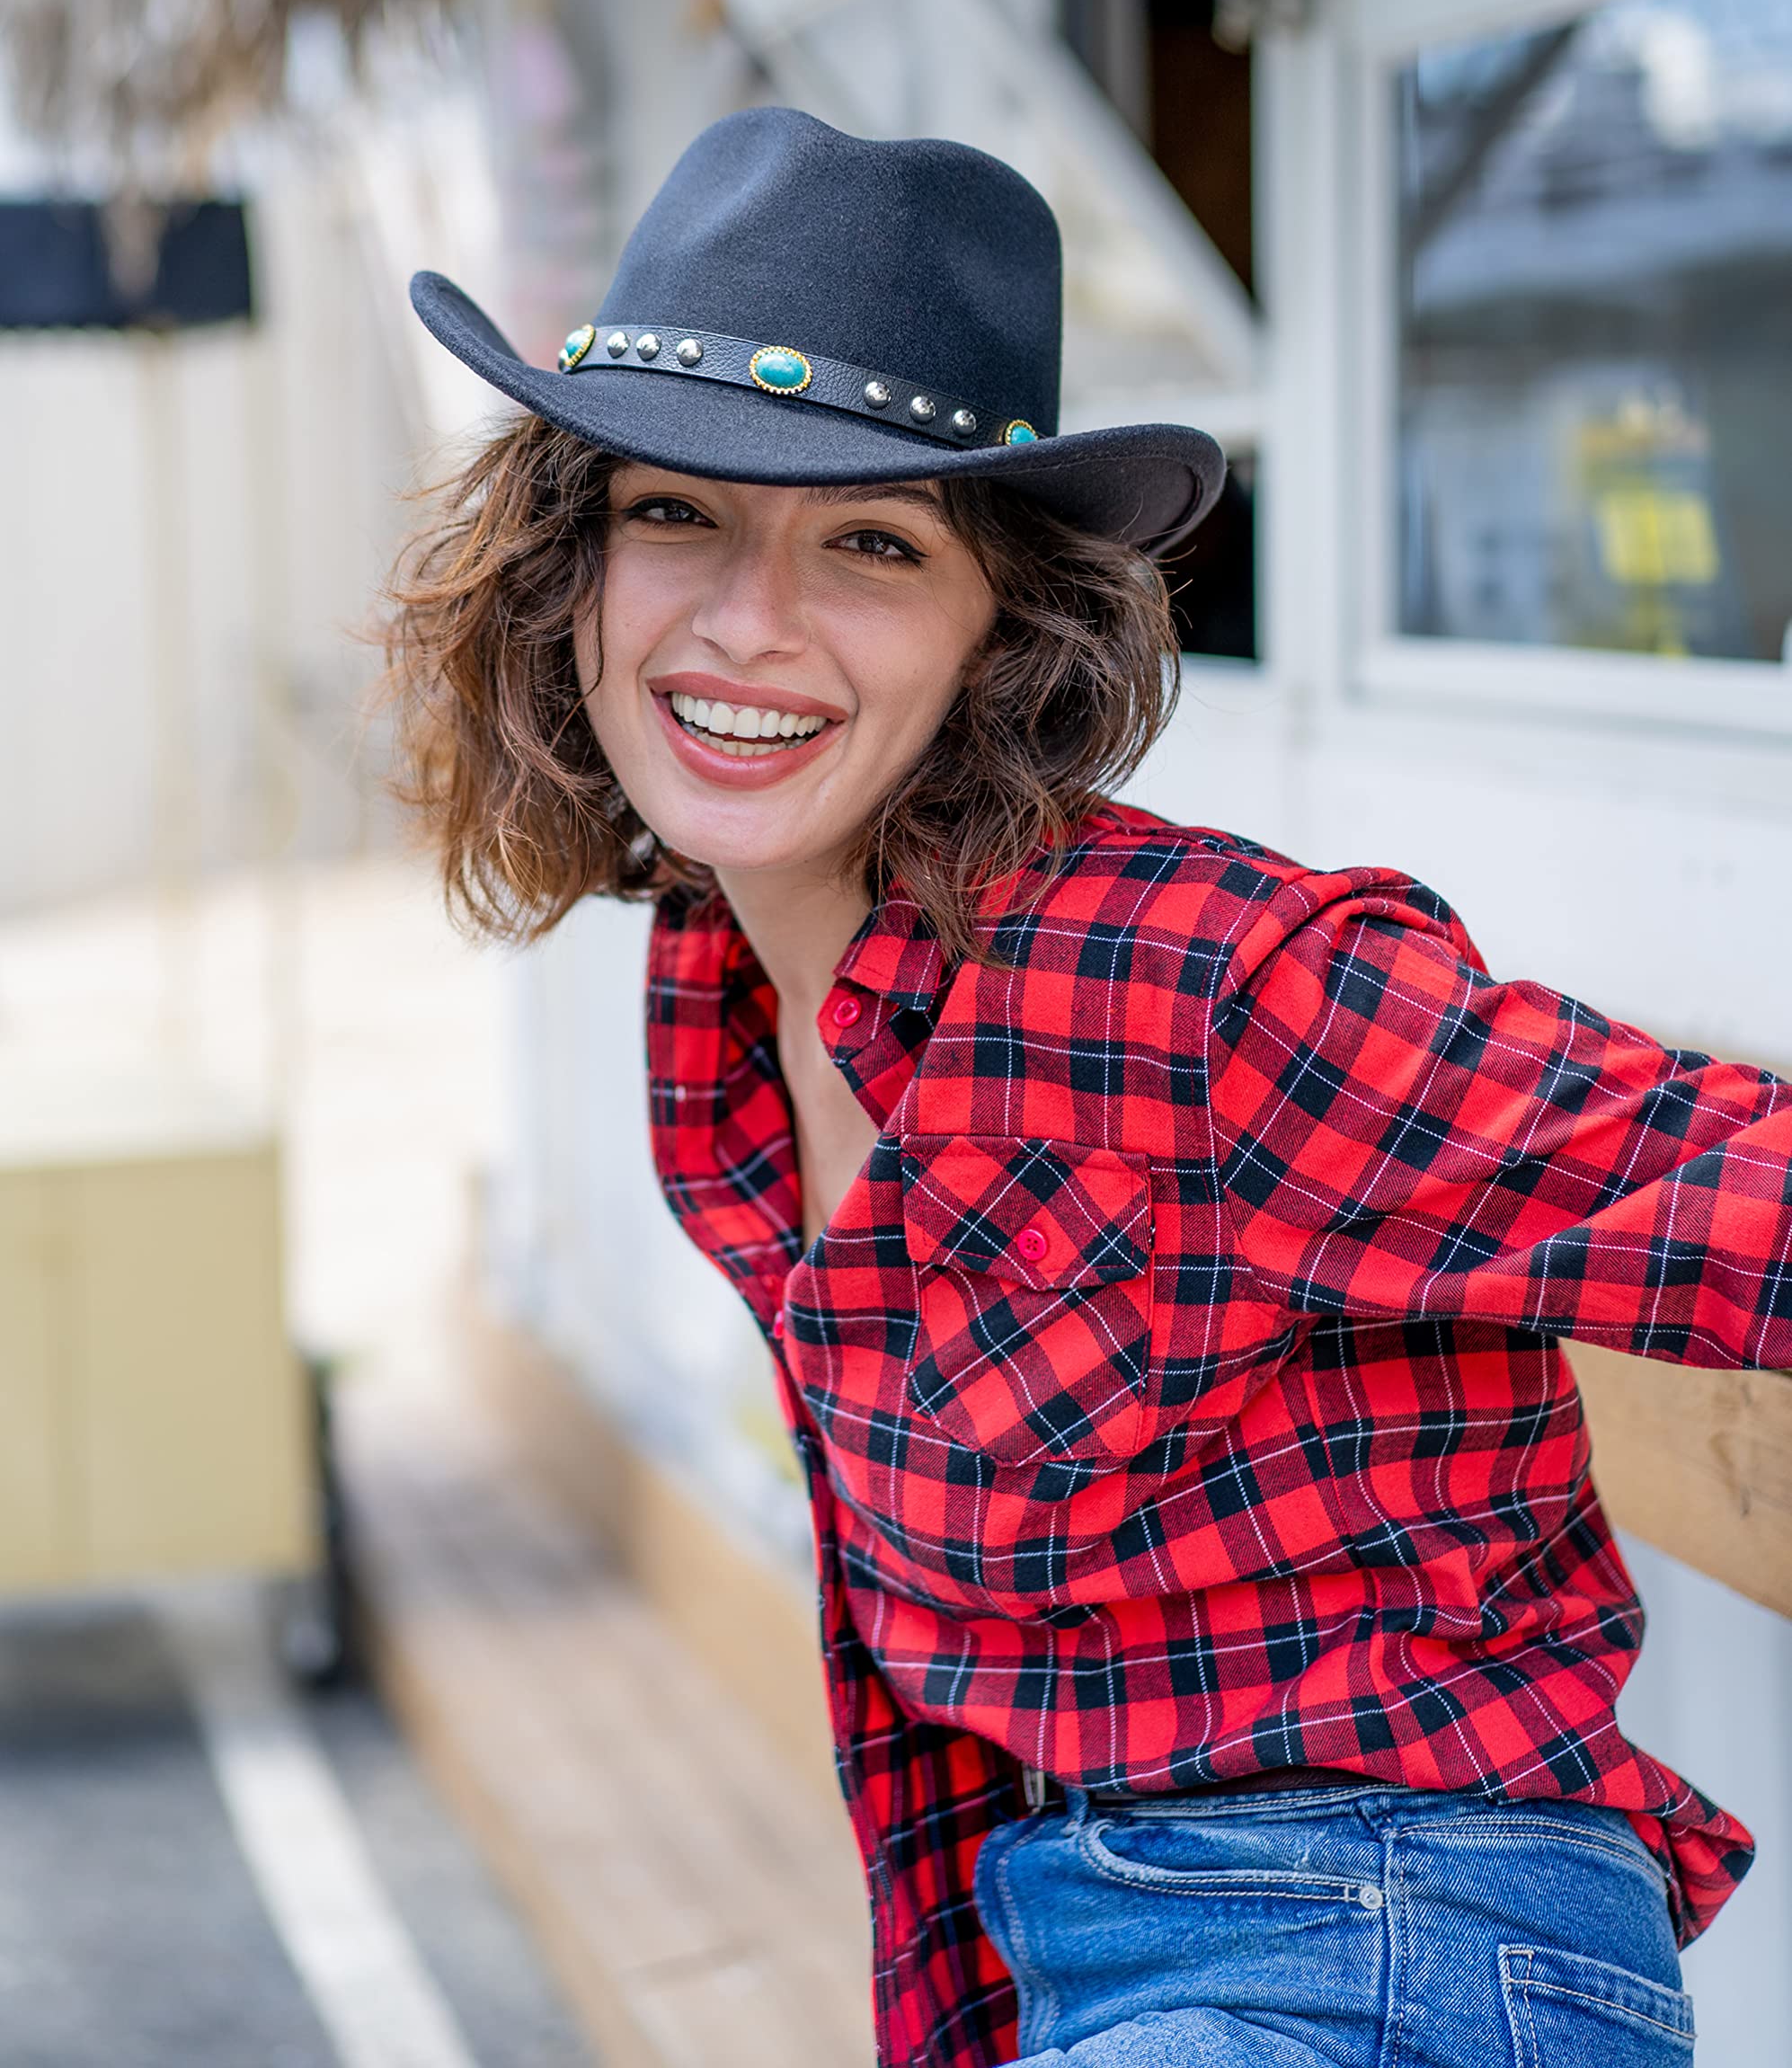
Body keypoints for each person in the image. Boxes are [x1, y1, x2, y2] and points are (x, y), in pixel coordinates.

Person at [384, 107, 1786, 2068]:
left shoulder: (1202, 981)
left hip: (1404, 1939)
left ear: (1002, 633)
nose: (746, 620)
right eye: (675, 511)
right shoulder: (721, 1011)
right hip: (1093, 1950)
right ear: (568, 569)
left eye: (873, 544)